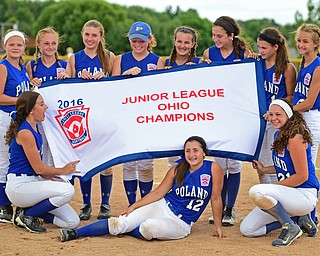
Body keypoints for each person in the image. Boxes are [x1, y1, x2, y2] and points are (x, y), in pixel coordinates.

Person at [59, 135, 224, 242]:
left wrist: (218, 225)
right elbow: (159, 193)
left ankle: (130, 229)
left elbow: (215, 198)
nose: (191, 154)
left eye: (195, 150)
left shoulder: (213, 168)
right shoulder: (178, 168)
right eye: (188, 151)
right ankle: (76, 233)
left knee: (148, 227)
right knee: (120, 222)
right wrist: (134, 206)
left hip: (181, 222)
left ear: (203, 152)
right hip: (163, 206)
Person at [240, 98, 319, 246]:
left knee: (258, 191)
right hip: (289, 196)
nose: (273, 118)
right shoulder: (280, 134)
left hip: (303, 193)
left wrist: (275, 187)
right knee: (248, 230)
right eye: (271, 114)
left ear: (288, 115)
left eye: (278, 114)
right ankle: (296, 220)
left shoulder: (296, 137)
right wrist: (264, 169)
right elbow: (284, 166)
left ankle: (290, 227)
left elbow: (302, 176)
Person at [5, 91, 80, 233]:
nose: (45, 107)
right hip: (20, 186)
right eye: (41, 104)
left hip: (32, 183)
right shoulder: (25, 132)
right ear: (31, 110)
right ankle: (28, 215)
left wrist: (50, 175)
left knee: (72, 222)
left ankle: (28, 212)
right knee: (68, 191)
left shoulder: (35, 127)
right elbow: (39, 168)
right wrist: (63, 170)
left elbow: (37, 170)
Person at [203, 16, 251, 226]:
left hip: (237, 114)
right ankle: (220, 208)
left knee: (235, 163)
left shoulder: (243, 53)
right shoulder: (209, 53)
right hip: (217, 114)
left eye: (220, 35)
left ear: (231, 35)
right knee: (220, 163)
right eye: (213, 35)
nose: (215, 39)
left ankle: (230, 209)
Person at [66, 20, 115, 221]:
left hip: (103, 115)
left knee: (106, 162)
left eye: (94, 35)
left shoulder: (110, 57)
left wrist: (104, 79)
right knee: (84, 161)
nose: (90, 39)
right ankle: (86, 203)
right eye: (87, 34)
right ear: (82, 35)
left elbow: (117, 85)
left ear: (101, 37)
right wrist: (78, 80)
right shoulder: (74, 59)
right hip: (81, 118)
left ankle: (105, 203)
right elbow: (66, 88)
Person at [112, 21, 165, 206]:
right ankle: (130, 203)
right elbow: (112, 89)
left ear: (149, 40)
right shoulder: (120, 59)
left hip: (147, 118)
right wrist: (125, 76)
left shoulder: (157, 61)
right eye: (134, 40)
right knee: (129, 163)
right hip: (127, 117)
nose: (137, 44)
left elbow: (160, 92)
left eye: (142, 40)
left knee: (145, 163)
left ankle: (143, 204)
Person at [256, 27, 296, 184]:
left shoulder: (287, 68)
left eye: (264, 47)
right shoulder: (257, 64)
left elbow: (291, 96)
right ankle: (266, 196)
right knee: (260, 161)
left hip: (277, 121)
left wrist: (275, 110)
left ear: (275, 47)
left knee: (276, 159)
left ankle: (276, 196)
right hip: (259, 119)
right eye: (259, 47)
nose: (261, 51)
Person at [26, 27, 68, 167]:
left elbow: (71, 92)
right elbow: (29, 93)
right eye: (46, 43)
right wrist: (32, 85)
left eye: (54, 43)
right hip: (40, 117)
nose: (50, 47)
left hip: (60, 116)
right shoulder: (32, 66)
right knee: (43, 150)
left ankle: (61, 182)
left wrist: (67, 80)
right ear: (38, 45)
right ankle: (44, 183)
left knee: (60, 152)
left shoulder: (64, 65)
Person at [0, 30, 30, 223]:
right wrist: (20, 100)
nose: (16, 48)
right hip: (4, 117)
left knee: (18, 160)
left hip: (18, 119)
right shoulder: (3, 67)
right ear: (5, 47)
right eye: (12, 44)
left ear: (24, 47)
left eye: (19, 45)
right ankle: (4, 206)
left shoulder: (23, 68)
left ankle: (18, 203)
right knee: (3, 160)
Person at [292, 23, 320, 224]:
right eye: (299, 40)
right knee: (299, 164)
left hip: (312, 117)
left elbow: (309, 102)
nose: (301, 44)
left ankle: (311, 215)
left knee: (307, 166)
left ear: (316, 44)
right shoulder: (303, 63)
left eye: (305, 41)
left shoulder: (317, 66)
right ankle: (304, 213)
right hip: (302, 116)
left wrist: (287, 110)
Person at [165, 26, 200, 168]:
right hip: (171, 117)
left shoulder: (199, 63)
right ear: (174, 42)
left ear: (192, 45)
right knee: (173, 160)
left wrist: (198, 71)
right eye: (179, 41)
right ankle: (176, 188)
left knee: (192, 156)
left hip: (192, 117)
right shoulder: (166, 63)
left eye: (187, 43)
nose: (182, 46)